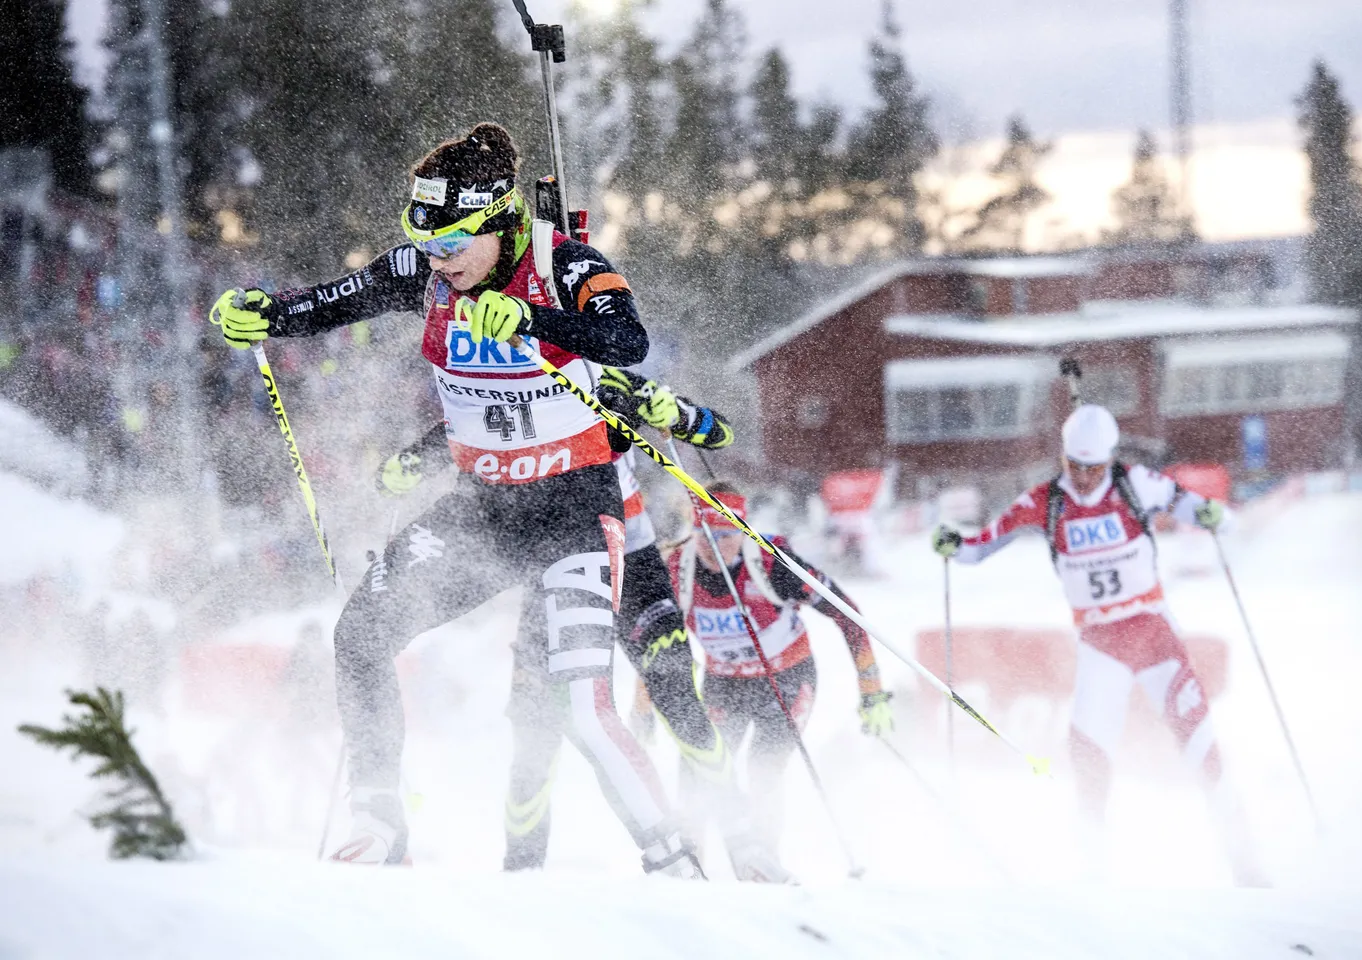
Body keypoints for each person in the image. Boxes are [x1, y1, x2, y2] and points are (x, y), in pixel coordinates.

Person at [209, 122, 700, 876]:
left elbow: (628, 341)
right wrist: (265, 316)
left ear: (499, 223)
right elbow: (337, 300)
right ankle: (379, 827)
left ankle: (675, 858)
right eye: (428, 245)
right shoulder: (426, 269)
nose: (439, 261)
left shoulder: (563, 264)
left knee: (576, 708)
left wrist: (534, 321)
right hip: (484, 513)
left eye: (453, 245)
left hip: (572, 507)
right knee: (360, 637)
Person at [377, 367, 787, 880]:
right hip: (558, 571)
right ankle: (523, 869)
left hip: (633, 566)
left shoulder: (601, 375)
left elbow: (716, 432)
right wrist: (413, 462)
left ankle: (745, 847)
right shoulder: (512, 382)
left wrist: (677, 414)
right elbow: (463, 427)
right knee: (535, 727)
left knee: (679, 701)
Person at [932, 404, 1264, 885]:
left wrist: (1214, 515)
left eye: (1094, 467)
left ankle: (1246, 860)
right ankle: (1093, 867)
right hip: (1101, 645)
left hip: (1153, 636)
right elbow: (982, 545)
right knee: (1087, 752)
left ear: (1110, 459)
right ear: (1064, 458)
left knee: (1199, 743)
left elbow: (1204, 510)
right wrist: (953, 546)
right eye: (1075, 466)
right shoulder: (1044, 501)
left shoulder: (1136, 484)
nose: (1085, 477)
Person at [666, 480, 894, 861]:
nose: (712, 545)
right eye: (702, 532)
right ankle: (691, 863)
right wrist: (643, 707)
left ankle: (762, 861)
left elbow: (849, 615)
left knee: (763, 769)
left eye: (723, 534)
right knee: (699, 766)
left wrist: (871, 691)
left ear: (741, 529)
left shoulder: (773, 564)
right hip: (724, 683)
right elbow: (657, 643)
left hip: (785, 682)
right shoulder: (677, 568)